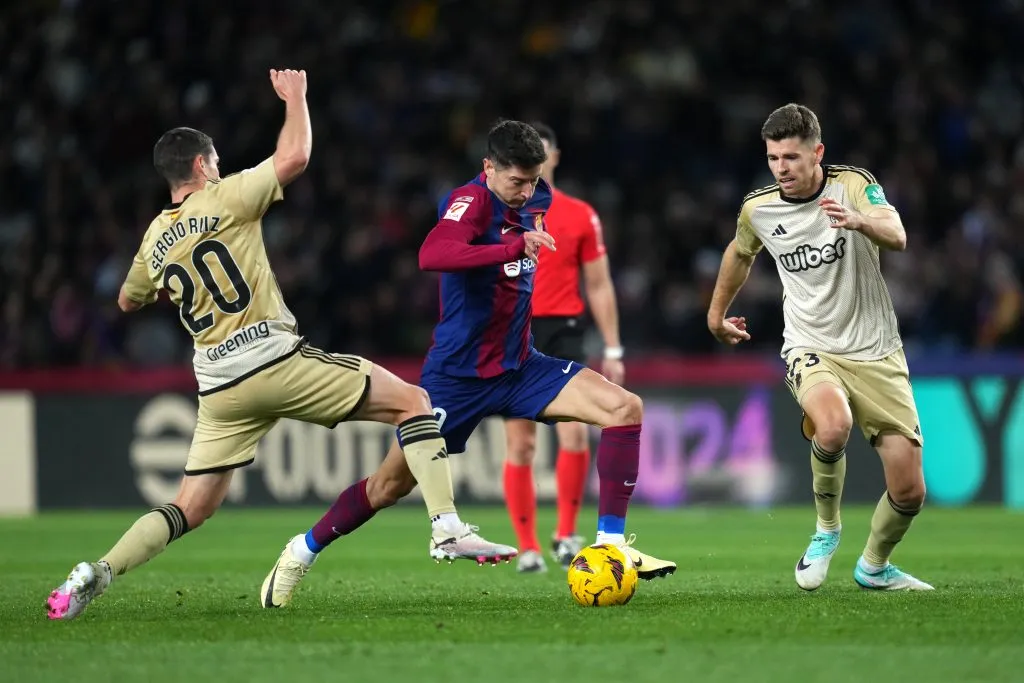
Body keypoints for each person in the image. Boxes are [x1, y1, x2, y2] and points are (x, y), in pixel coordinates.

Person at [46, 69, 512, 621]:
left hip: (219, 388)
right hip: (271, 359)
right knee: (413, 402)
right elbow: (293, 157)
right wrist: (297, 98)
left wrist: (168, 278)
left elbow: (127, 300)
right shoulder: (224, 197)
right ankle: (446, 528)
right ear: (201, 166)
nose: (218, 165)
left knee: (189, 507)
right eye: (214, 159)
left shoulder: (153, 238)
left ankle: (96, 572)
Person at [260, 120, 676, 608]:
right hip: (457, 377)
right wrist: (512, 248)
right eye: (515, 182)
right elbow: (432, 253)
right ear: (487, 168)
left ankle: (610, 546)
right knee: (388, 485)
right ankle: (299, 552)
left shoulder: (538, 197)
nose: (526, 192)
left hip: (521, 366)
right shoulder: (470, 201)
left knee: (624, 408)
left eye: (533, 180)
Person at [706, 103, 932, 591]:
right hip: (812, 345)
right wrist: (716, 314)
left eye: (791, 157)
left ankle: (874, 566)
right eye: (773, 158)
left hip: (877, 351)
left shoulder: (853, 185)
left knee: (910, 491)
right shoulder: (758, 208)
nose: (781, 168)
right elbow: (740, 252)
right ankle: (826, 530)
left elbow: (898, 235)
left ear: (817, 152)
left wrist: (859, 220)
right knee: (833, 427)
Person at [502, 123, 625, 573]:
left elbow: (598, 283)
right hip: (515, 329)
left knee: (573, 432)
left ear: (553, 155)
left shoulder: (579, 214)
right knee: (521, 442)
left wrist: (613, 347)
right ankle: (528, 546)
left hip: (564, 331)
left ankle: (565, 534)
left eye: (542, 149)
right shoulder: (501, 212)